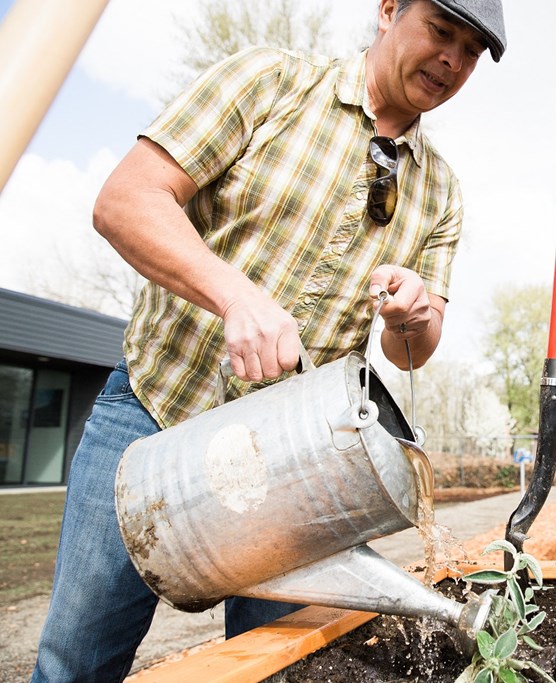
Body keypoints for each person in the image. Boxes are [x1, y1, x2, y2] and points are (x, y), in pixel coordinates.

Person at [32, 0, 505, 680]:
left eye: (471, 51)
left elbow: (416, 350)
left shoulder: (441, 193)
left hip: (299, 477)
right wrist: (235, 294)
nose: (452, 60)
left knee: (286, 668)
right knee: (75, 663)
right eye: (440, 30)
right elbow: (126, 200)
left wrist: (415, 311)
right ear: (388, 10)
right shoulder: (268, 82)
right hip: (154, 419)